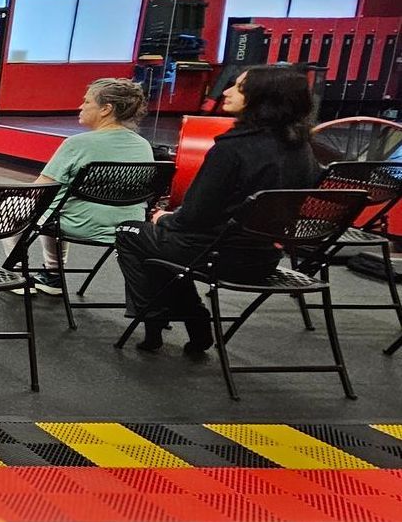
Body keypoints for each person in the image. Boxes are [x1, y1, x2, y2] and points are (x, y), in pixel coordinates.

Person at [115, 66, 319, 353]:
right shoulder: (302, 148)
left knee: (130, 233)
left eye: (238, 87)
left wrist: (163, 218)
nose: (226, 91)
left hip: (216, 255)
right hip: (262, 259)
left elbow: (193, 217)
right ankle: (193, 324)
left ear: (261, 98)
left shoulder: (231, 149)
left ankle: (158, 320)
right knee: (161, 252)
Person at [9, 78, 154, 295]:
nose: (80, 106)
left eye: (86, 102)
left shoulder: (77, 144)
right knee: (54, 207)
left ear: (106, 109)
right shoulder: (143, 146)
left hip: (79, 224)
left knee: (13, 205)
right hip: (126, 227)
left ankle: (15, 274)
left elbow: (37, 190)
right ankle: (53, 277)